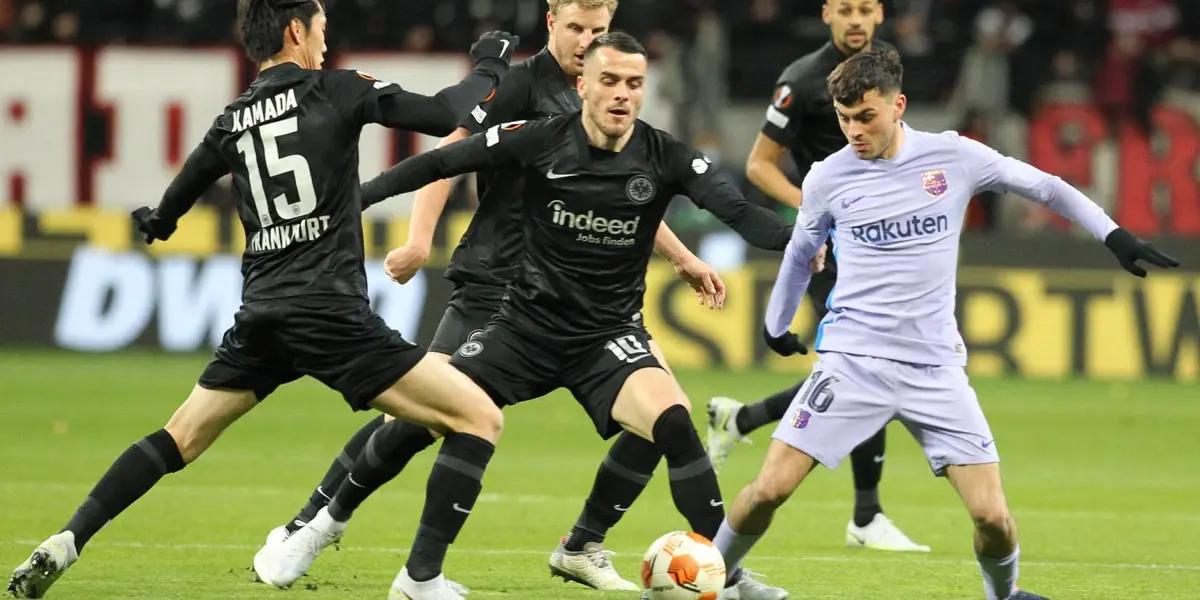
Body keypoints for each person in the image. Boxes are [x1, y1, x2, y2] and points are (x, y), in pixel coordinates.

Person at [5, 1, 519, 598]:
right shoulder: (338, 89)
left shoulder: (233, 119)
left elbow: (186, 184)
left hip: (263, 314)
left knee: (178, 438)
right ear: (297, 30)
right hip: (330, 315)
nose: (326, 43)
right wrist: (489, 65)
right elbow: (442, 114)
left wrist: (160, 220)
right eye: (322, 29)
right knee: (478, 417)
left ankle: (67, 539)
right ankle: (419, 580)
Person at [269, 32, 792, 600]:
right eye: (610, 81)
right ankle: (343, 535)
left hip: (605, 338)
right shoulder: (539, 138)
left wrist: (811, 238)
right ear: (584, 84)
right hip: (523, 326)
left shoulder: (667, 155)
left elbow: (742, 214)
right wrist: (349, 203)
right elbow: (440, 161)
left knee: (671, 421)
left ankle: (726, 577)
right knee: (424, 418)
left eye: (634, 84)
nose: (621, 94)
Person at [713, 49, 1178, 600]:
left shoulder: (953, 157)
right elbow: (800, 253)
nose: (853, 131)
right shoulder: (826, 178)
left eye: (865, 117)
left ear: (898, 105)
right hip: (853, 362)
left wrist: (1113, 235)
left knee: (994, 519)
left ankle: (1002, 596)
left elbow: (1048, 187)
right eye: (843, 119)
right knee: (768, 489)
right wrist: (776, 324)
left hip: (935, 368)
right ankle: (713, 577)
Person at [706, 0, 928, 553]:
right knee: (872, 363)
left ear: (880, 13)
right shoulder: (802, 81)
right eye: (845, 9)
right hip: (837, 247)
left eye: (866, 9)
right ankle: (866, 515)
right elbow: (759, 164)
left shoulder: (886, 69)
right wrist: (816, 215)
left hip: (886, 243)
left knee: (864, 367)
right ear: (827, 13)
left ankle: (744, 418)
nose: (856, 20)